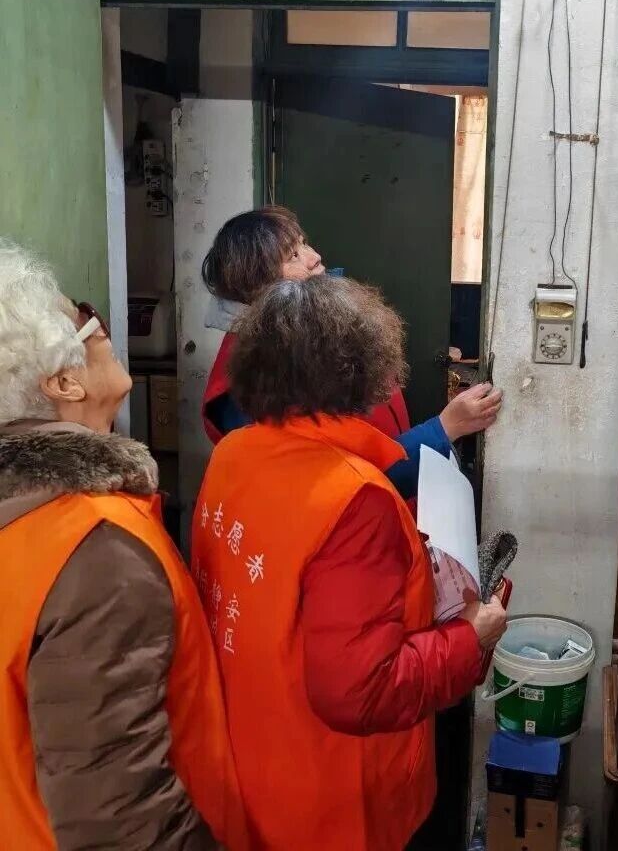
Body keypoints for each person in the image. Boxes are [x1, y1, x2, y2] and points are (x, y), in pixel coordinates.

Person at [191, 275, 507, 850]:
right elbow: (363, 690)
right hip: (327, 798)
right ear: (365, 373)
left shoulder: (233, 455)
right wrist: (470, 637)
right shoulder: (355, 497)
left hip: (243, 764)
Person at [0, 241, 248, 850]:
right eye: (88, 322)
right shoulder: (96, 548)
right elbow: (122, 820)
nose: (103, 329)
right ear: (64, 382)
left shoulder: (30, 516)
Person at [200, 208, 502, 498]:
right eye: (293, 255)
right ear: (258, 286)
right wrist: (444, 428)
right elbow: (336, 483)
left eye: (303, 243)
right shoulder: (256, 378)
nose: (314, 257)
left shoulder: (300, 331)